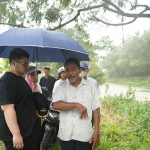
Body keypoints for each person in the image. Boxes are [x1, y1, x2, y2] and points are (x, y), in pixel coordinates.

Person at [52, 58, 100, 150]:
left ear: (79, 70)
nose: (70, 73)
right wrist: (76, 105)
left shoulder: (90, 87)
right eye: (67, 70)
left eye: (73, 69)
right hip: (66, 133)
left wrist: (97, 131)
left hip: (84, 133)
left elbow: (96, 109)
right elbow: (55, 105)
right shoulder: (61, 87)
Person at [0, 48, 36, 150]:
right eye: (24, 64)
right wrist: (16, 134)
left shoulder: (20, 78)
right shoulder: (8, 81)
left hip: (25, 131)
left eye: (28, 64)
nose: (27, 67)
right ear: (14, 63)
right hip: (15, 135)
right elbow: (7, 109)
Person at [25, 66, 42, 150]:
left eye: (36, 75)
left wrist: (38, 95)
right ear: (28, 75)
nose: (35, 77)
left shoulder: (38, 86)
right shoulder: (24, 86)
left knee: (37, 137)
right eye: (33, 75)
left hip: (36, 116)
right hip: (26, 118)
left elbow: (41, 102)